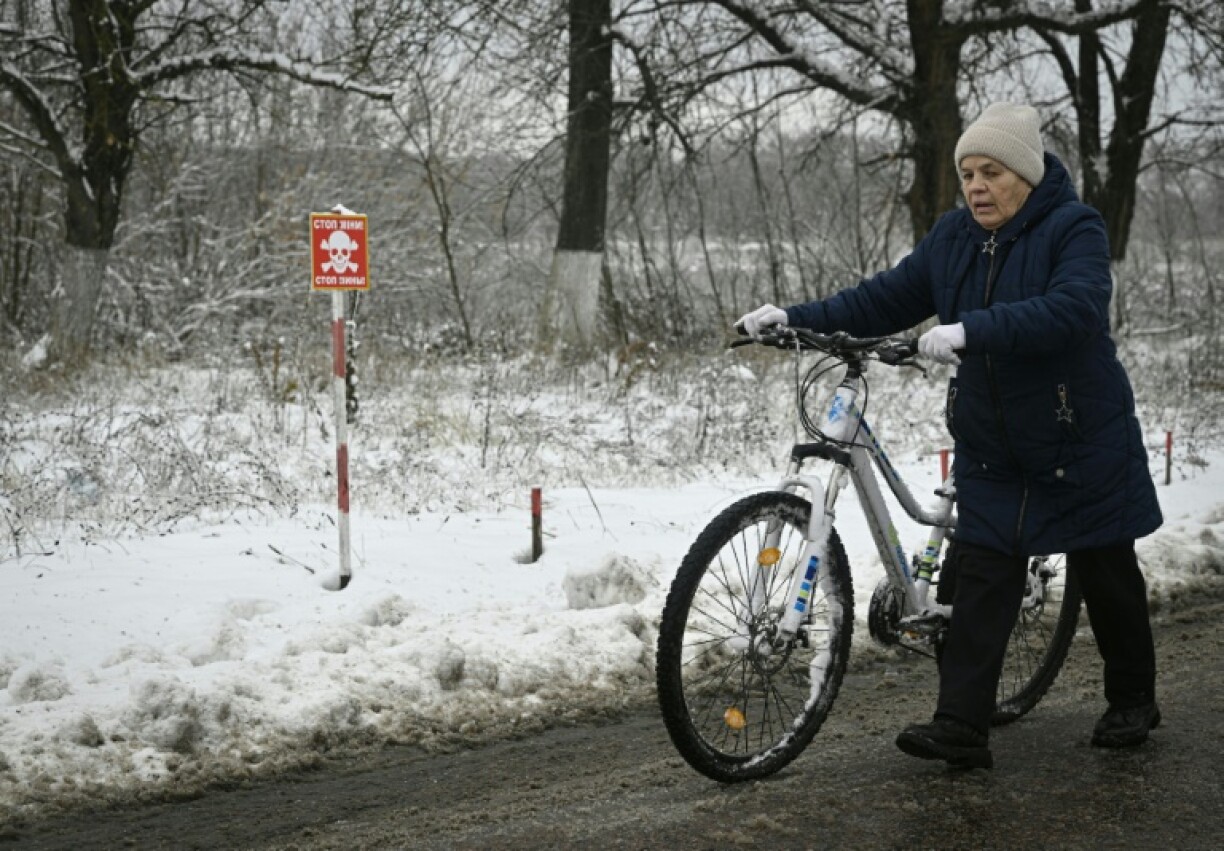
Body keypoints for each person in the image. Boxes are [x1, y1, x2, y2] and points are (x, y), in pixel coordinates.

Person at [736, 102, 1163, 769]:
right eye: (967, 172)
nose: (976, 186)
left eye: (991, 171)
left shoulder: (1072, 228)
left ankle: (1133, 696)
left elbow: (1075, 308)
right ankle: (961, 724)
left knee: (1104, 566)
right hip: (993, 442)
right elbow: (881, 299)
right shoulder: (953, 238)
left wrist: (972, 330)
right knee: (985, 574)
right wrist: (793, 317)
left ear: (1024, 174)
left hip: (1076, 436)